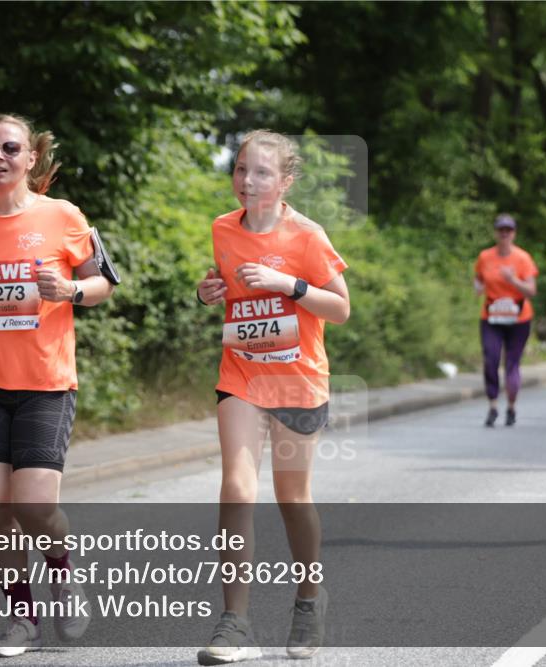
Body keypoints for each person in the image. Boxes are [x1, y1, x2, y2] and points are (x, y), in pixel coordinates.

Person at [0, 114, 113, 657]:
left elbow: (103, 282)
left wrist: (70, 289)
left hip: (44, 381)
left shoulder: (63, 216)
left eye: (10, 147)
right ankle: (21, 619)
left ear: (30, 157)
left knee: (33, 508)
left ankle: (63, 571)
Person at [195, 130, 349, 664]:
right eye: (241, 169)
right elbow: (225, 286)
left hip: (298, 381)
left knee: (291, 498)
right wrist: (207, 290)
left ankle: (309, 598)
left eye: (261, 172)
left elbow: (340, 308)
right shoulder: (222, 229)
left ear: (284, 182)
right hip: (241, 375)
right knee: (236, 489)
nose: (247, 180)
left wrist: (288, 285)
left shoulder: (306, 235)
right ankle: (234, 623)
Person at [473, 214, 538, 426]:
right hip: (492, 317)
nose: (504, 234)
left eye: (508, 230)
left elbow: (531, 290)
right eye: (501, 230)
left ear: (514, 233)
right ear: (496, 233)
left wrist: (513, 280)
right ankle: (493, 405)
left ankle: (511, 406)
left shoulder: (522, 258)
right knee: (490, 359)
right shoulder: (485, 257)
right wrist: (478, 287)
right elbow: (478, 279)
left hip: (518, 318)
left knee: (511, 364)